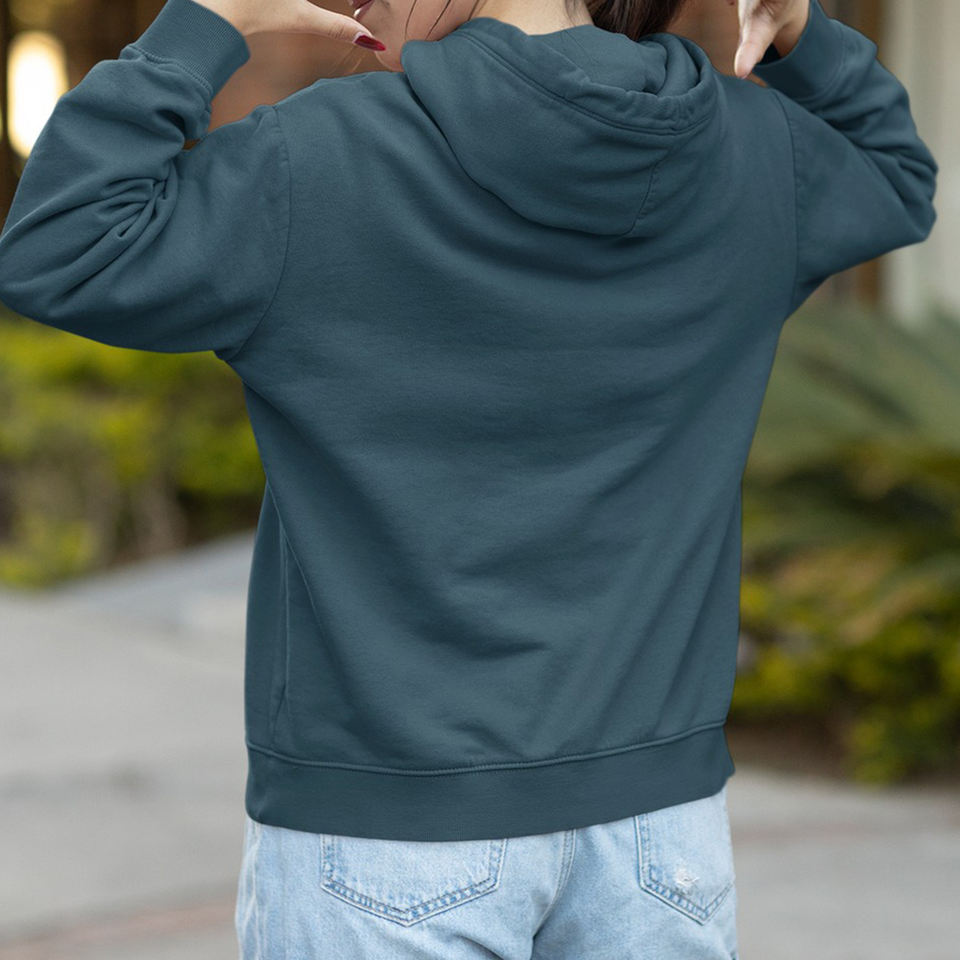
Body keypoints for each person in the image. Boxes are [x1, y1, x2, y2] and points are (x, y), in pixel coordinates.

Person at [0, 0, 937, 956]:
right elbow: (898, 174)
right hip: (660, 838)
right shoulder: (752, 152)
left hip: (388, 831)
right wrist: (800, 28)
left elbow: (58, 245)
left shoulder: (316, 160)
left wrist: (209, 21)